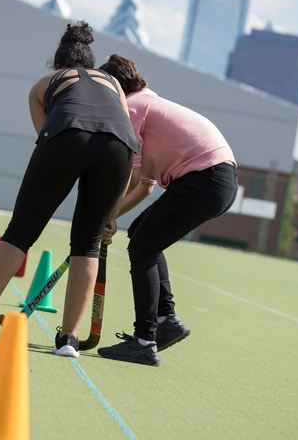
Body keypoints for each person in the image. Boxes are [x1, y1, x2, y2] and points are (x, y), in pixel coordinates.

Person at [0, 23, 139, 358]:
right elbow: (122, 134)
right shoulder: (114, 85)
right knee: (88, 243)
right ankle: (68, 340)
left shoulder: (44, 84)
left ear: (58, 66)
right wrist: (111, 215)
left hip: (67, 138)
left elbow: (49, 132)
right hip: (119, 150)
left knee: (20, 232)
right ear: (91, 64)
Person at [95, 54, 238, 367]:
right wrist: (114, 219)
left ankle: (145, 342)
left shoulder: (131, 108)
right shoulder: (151, 107)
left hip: (204, 178)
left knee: (144, 247)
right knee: (143, 236)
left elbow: (130, 178)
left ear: (115, 88)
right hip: (219, 181)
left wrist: (105, 216)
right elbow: (145, 186)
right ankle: (166, 321)